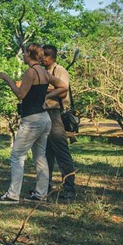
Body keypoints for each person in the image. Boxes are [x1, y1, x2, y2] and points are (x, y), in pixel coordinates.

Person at [0, 43, 68, 204]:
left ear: (29, 54)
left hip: (32, 120)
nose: (23, 56)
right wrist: (46, 98)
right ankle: (40, 193)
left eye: (24, 53)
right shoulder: (44, 71)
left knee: (17, 156)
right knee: (40, 156)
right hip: (44, 118)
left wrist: (7, 79)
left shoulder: (31, 72)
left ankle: (13, 194)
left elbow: (20, 95)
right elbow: (63, 87)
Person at [42, 44, 77, 200]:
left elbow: (63, 91)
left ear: (53, 57)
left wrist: (44, 90)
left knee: (62, 153)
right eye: (42, 55)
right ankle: (45, 186)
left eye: (46, 55)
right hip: (43, 113)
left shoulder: (59, 70)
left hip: (55, 114)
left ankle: (69, 188)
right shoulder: (43, 72)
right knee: (45, 154)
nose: (43, 58)